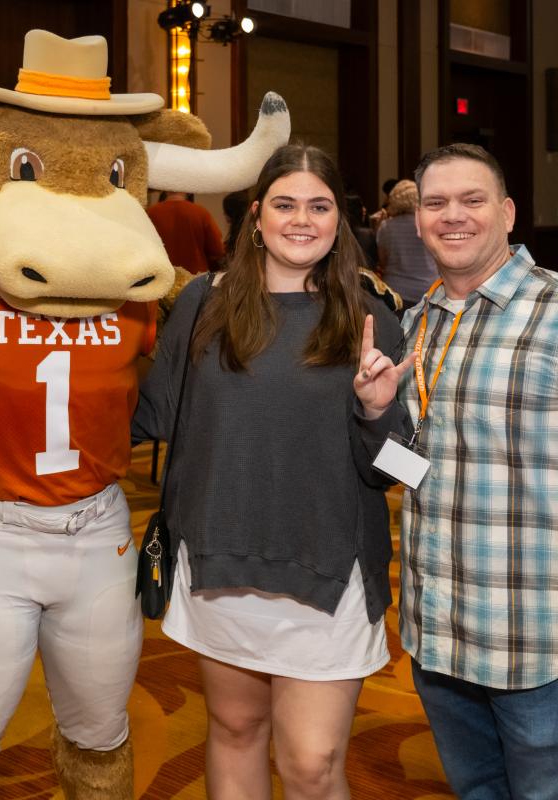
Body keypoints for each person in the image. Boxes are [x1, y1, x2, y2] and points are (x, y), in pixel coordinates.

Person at [133, 144, 406, 800]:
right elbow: (147, 417)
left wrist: (376, 413)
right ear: (257, 215)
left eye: (319, 206)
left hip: (326, 570)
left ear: (341, 220)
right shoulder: (203, 303)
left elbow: (404, 469)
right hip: (222, 568)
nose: (301, 220)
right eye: (285, 204)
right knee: (233, 726)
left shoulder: (374, 317)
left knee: (311, 764)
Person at [354, 143, 558, 799]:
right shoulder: (416, 326)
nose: (453, 216)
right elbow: (405, 464)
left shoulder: (554, 313)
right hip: (440, 635)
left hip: (537, 640)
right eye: (436, 203)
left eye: (472, 201)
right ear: (416, 222)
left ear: (507, 213)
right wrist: (375, 415)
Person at [376, 179, 438, 310]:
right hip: (429, 290)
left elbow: (382, 261)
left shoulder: (386, 227)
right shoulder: (430, 225)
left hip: (395, 292)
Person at [147, 190, 225, 273]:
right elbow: (217, 250)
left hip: (161, 275)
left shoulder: (150, 213)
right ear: (187, 189)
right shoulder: (201, 213)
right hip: (195, 277)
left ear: (165, 189)